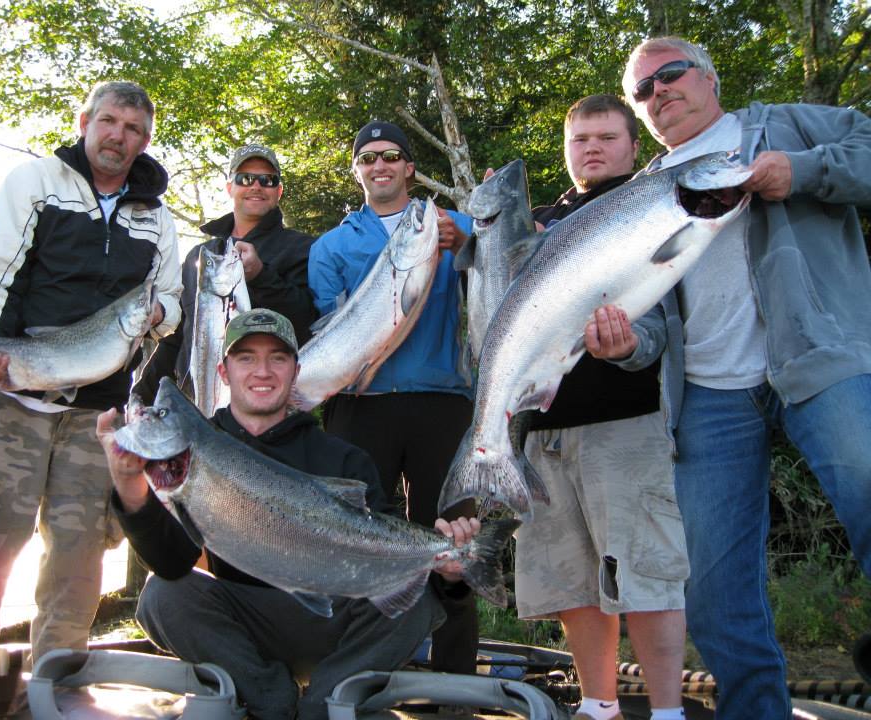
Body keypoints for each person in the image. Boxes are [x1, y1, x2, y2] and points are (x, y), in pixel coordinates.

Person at [587, 36, 871, 720]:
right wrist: (624, 345)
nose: (659, 92)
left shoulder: (788, 125)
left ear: (708, 76)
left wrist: (799, 172)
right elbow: (650, 320)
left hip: (820, 362)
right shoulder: (640, 194)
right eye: (642, 90)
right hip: (708, 400)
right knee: (713, 594)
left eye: (670, 74)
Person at [0, 81, 182, 720]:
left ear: (145, 141)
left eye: (135, 130)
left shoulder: (159, 217)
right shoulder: (35, 181)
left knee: (79, 564)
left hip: (98, 416)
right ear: (85, 121)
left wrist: (156, 312)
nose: (120, 137)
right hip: (6, 400)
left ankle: (56, 696)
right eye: (110, 122)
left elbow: (171, 303)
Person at [98, 309, 481, 720]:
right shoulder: (197, 452)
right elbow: (170, 563)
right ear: (224, 372)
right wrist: (128, 483)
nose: (262, 370)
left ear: (295, 371)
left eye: (277, 358)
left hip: (335, 621)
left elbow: (392, 542)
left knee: (417, 602)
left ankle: (324, 705)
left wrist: (450, 570)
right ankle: (270, 699)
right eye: (246, 357)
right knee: (161, 594)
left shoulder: (343, 457)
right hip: (244, 623)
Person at [515, 94, 688, 720]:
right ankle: (598, 705)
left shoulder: (656, 205)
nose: (592, 148)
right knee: (571, 581)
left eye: (607, 138)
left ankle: (667, 711)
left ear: (633, 146)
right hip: (543, 432)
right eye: (580, 139)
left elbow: (661, 328)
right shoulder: (536, 222)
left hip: (627, 425)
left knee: (645, 574)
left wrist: (626, 347)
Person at [307, 121, 479, 674]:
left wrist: (470, 243)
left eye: (391, 156)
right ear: (357, 170)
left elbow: (508, 263)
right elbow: (332, 331)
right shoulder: (331, 247)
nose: (379, 165)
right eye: (367, 158)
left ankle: (456, 682)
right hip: (359, 407)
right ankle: (355, 674)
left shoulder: (452, 225)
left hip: (443, 404)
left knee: (455, 537)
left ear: (409, 167)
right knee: (352, 540)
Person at [133, 143, 317, 404]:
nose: (256, 186)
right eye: (245, 178)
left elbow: (307, 323)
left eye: (267, 180)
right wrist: (142, 392)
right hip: (196, 403)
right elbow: (179, 333)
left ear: (279, 191)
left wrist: (261, 277)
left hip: (270, 405)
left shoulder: (304, 248)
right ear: (230, 187)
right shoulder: (200, 256)